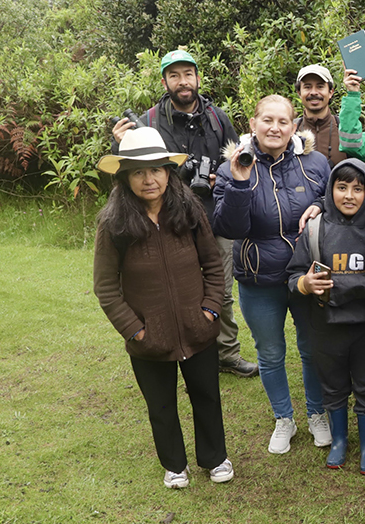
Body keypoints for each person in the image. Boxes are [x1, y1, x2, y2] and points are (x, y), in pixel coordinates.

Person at [92, 127, 233, 489]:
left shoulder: (189, 210)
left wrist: (210, 311)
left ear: (169, 172)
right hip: (148, 338)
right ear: (125, 177)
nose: (149, 179)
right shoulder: (113, 224)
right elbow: (106, 288)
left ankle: (215, 458)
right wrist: (135, 330)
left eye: (156, 169)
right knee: (161, 406)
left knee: (207, 396)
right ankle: (174, 464)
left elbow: (213, 265)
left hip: (197, 328)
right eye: (138, 171)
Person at [110, 49, 258, 380]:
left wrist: (222, 174)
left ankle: (226, 352)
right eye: (174, 75)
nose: (182, 81)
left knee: (220, 288)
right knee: (167, 285)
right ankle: (170, 350)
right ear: (165, 81)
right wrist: (121, 145)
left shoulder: (218, 118)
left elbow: (237, 158)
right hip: (161, 219)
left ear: (198, 78)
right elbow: (124, 176)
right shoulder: (147, 122)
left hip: (212, 215)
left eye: (187, 74)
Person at [213, 95, 333, 456]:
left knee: (312, 349)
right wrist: (238, 183)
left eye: (283, 121)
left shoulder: (315, 163)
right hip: (257, 276)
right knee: (270, 352)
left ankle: (317, 412)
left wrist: (322, 204)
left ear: (294, 127)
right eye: (267, 120)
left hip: (306, 274)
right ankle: (284, 417)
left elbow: (339, 200)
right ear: (253, 124)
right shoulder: (231, 167)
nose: (275, 128)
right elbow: (228, 227)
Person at [286, 159, 365, 473]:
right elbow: (293, 276)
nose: (350, 195)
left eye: (358, 188)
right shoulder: (316, 228)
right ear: (330, 190)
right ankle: (339, 439)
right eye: (342, 187)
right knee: (334, 385)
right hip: (326, 326)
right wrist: (304, 283)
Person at [294, 64, 350, 166]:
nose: (314, 92)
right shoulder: (290, 131)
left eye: (320, 87)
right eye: (307, 87)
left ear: (330, 92)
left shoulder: (345, 129)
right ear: (299, 93)